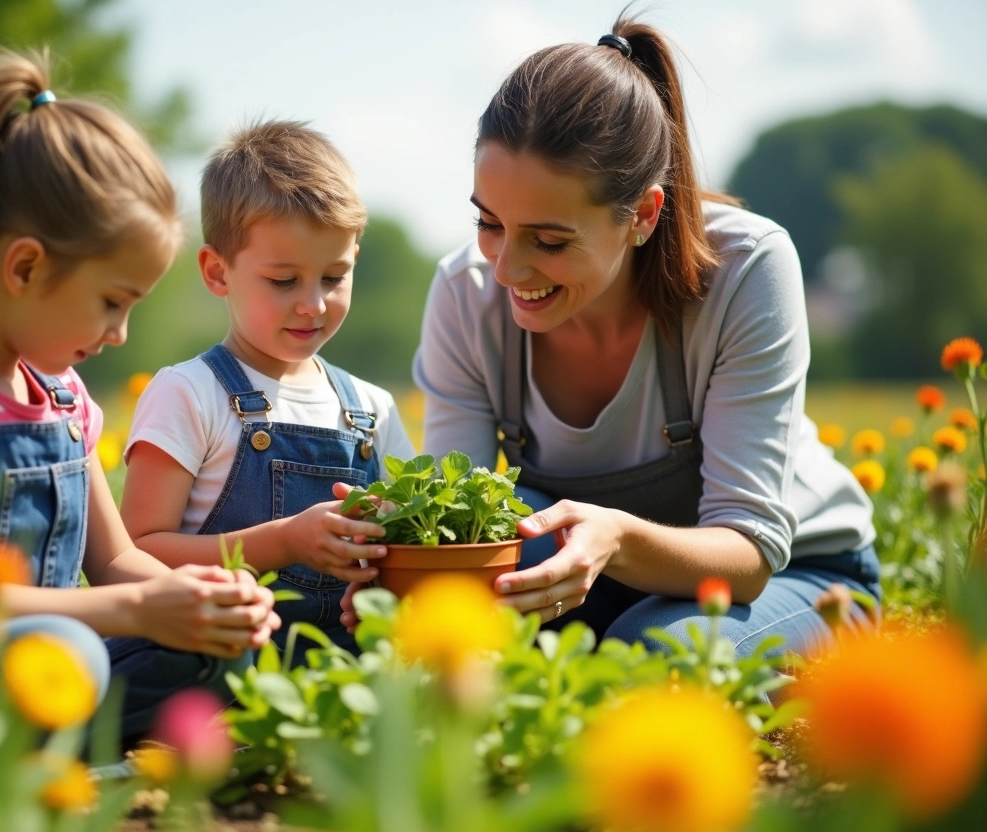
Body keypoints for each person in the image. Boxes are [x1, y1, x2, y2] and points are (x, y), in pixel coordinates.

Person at [352, 17, 881, 660]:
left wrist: (618, 539)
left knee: (648, 655)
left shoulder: (747, 267)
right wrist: (398, 568)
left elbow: (748, 554)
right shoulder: (465, 291)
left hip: (791, 577)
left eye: (548, 241)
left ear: (643, 216)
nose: (506, 269)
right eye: (488, 222)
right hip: (594, 576)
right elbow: (456, 517)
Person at [0, 48, 278, 747]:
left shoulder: (61, 395)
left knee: (211, 647)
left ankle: (71, 757)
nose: (121, 334)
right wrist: (136, 608)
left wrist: (195, 602)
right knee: (67, 653)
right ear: (26, 267)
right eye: (111, 303)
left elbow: (117, 561)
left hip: (50, 656)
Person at [120, 120, 416, 665]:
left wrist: (385, 579)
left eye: (334, 277)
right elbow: (137, 552)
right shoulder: (189, 392)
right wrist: (281, 543)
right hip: (212, 658)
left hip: (339, 662)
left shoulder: (372, 409)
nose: (313, 304)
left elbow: (406, 547)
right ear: (217, 272)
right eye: (284, 281)